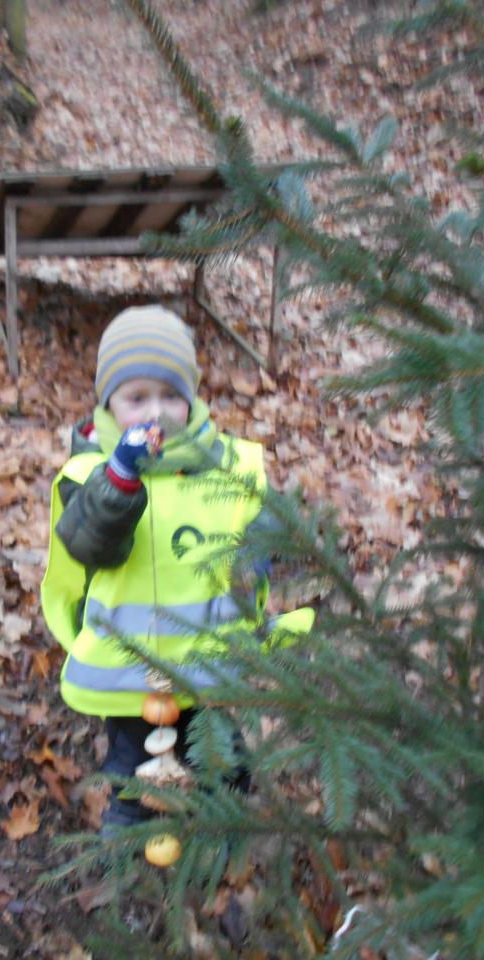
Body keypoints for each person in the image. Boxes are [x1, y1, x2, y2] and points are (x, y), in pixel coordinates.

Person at [39, 304, 314, 834]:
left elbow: (261, 519)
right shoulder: (90, 473)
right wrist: (121, 478)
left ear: (192, 398)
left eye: (171, 396)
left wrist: (255, 556)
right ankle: (126, 827)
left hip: (209, 658)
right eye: (137, 398)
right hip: (130, 666)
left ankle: (222, 830)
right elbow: (93, 543)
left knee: (223, 759)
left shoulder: (225, 464)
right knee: (131, 760)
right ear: (108, 403)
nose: (156, 412)